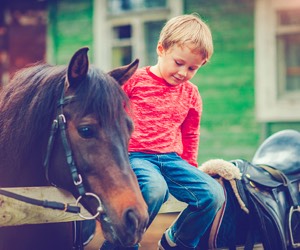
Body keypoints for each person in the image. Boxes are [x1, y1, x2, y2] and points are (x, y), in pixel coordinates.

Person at [101, 13, 225, 250]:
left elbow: (190, 133)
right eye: (179, 63)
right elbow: (108, 117)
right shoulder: (133, 80)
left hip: (171, 159)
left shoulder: (191, 94)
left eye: (192, 68)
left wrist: (189, 165)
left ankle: (176, 242)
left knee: (213, 194)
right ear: (161, 49)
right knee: (156, 189)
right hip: (135, 156)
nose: (183, 72)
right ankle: (121, 245)